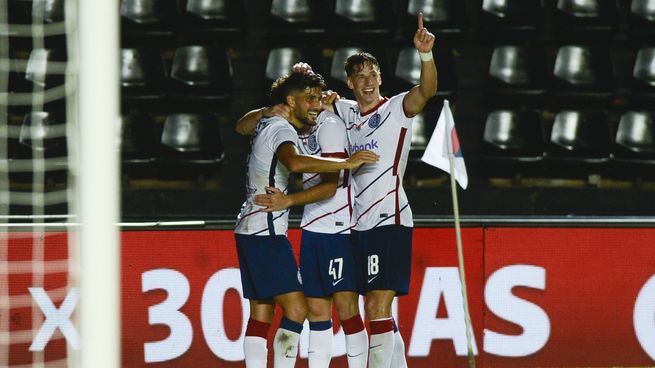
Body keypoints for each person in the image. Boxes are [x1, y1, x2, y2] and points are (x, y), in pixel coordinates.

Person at [234, 71, 378, 368]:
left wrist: (266, 110)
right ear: (290, 101)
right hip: (266, 230)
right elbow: (295, 162)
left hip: (252, 226)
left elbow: (240, 127)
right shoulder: (282, 129)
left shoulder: (271, 121)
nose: (316, 104)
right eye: (309, 98)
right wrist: (347, 162)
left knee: (261, 312)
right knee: (298, 308)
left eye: (317, 97)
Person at [327, 13, 437, 368]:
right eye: (361, 77)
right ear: (350, 83)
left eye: (373, 75)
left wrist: (425, 55)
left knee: (376, 305)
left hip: (390, 218)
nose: (369, 81)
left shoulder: (395, 108)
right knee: (374, 308)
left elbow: (427, 92)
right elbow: (317, 101)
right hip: (358, 223)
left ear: (381, 78)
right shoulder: (345, 112)